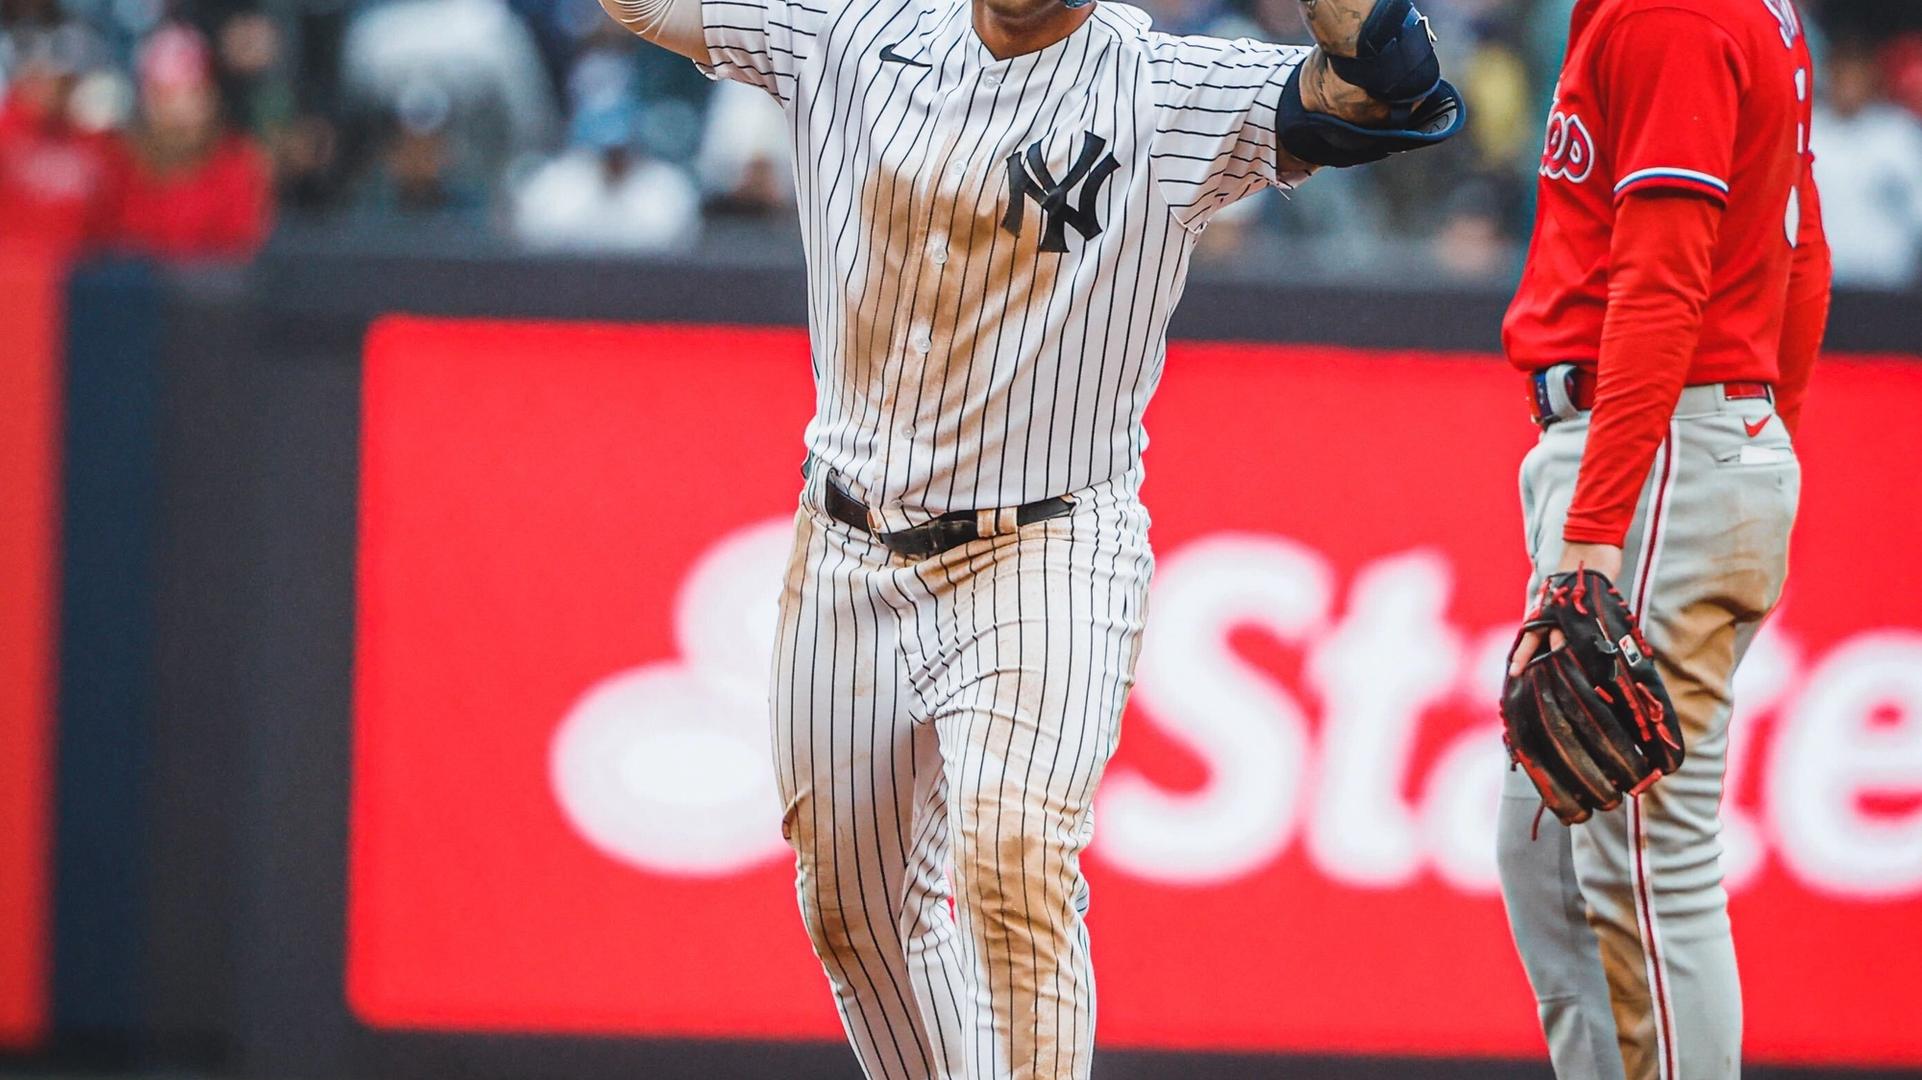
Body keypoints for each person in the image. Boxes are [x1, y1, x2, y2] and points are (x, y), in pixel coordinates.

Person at [593, 0, 1460, 1074]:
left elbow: (1391, 84)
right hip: (846, 543)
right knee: (851, 913)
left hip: (1040, 547)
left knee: (1012, 846)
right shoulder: (850, 26)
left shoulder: (1159, 90)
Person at [1496, 1, 1830, 1078]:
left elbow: (1661, 281)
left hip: (1653, 448)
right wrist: (1760, 434)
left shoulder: (1671, 13)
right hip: (1686, 436)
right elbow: (1802, 254)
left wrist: (1601, 527)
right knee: (1542, 853)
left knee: (1647, 870)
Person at [119, 25, 275, 262]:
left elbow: (241, 259)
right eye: (167, 96)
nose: (180, 110)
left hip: (212, 297)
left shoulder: (238, 165)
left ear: (210, 96)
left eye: (192, 93)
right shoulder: (117, 166)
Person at [1810, 41, 1922, 289]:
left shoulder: (1898, 134)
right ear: (1829, 76)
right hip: (1823, 283)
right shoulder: (1809, 131)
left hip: (1886, 286)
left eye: (1857, 76)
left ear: (1871, 79)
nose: (1849, 86)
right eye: (1842, 75)